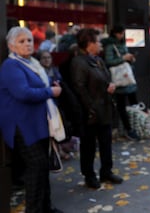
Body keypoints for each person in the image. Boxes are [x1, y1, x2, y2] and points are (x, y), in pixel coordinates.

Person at [0, 26, 63, 213]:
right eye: (22, 41)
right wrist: (50, 91)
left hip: (38, 123)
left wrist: (50, 86)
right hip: (22, 125)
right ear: (11, 46)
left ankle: (46, 207)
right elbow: (23, 93)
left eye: (29, 40)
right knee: (37, 167)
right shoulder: (11, 66)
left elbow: (37, 86)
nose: (27, 44)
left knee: (43, 168)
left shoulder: (31, 62)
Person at [70, 28, 123, 189]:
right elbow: (80, 89)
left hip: (104, 108)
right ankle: (89, 175)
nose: (100, 44)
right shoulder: (79, 62)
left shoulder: (97, 60)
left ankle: (106, 171)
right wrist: (91, 109)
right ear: (89, 44)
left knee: (106, 143)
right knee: (89, 146)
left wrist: (109, 86)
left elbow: (103, 79)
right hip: (91, 112)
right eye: (97, 41)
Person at [101, 25, 140, 141]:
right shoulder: (110, 45)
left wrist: (130, 59)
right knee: (121, 106)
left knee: (135, 103)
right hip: (119, 80)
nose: (122, 35)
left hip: (127, 78)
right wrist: (124, 58)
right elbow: (109, 61)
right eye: (120, 33)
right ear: (115, 33)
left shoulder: (122, 43)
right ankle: (128, 129)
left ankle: (138, 126)